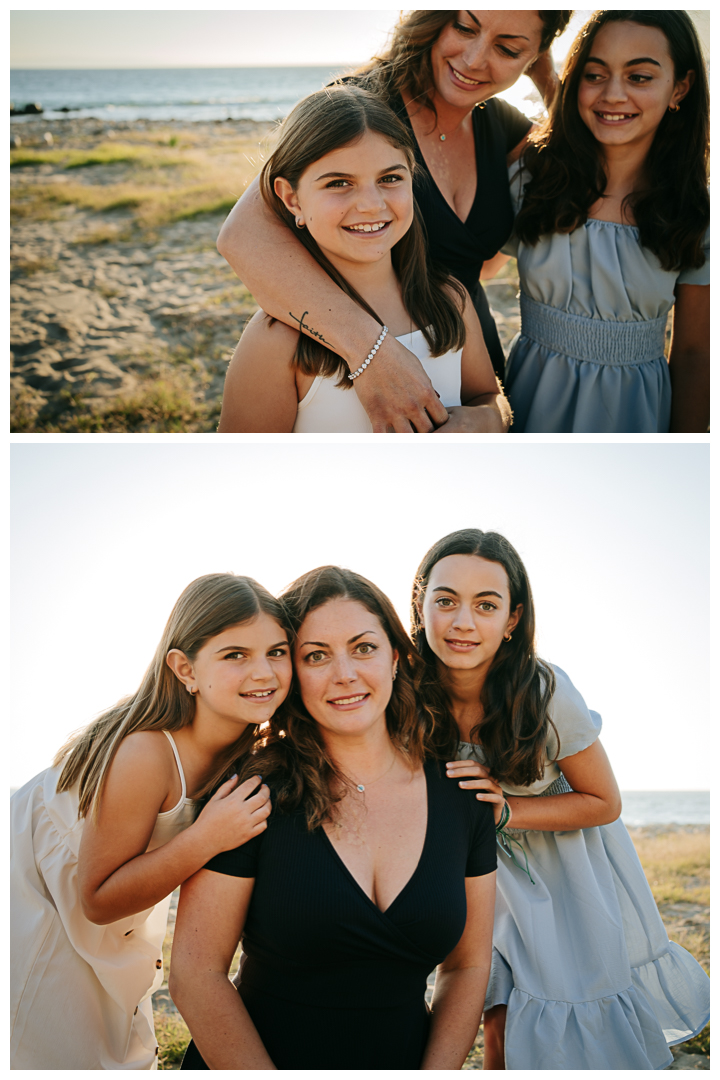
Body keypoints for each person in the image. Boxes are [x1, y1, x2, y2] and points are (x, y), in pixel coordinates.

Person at [170, 566, 497, 1069]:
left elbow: (469, 965)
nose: (344, 674)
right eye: (316, 656)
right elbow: (196, 973)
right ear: (291, 673)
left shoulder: (463, 796)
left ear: (395, 657)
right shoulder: (254, 793)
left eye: (363, 648)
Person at [410, 528, 710, 1070]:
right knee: (492, 1015)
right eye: (446, 600)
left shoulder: (544, 691)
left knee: (550, 1024)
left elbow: (604, 801)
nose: (462, 622)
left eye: (486, 605)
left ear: (513, 619)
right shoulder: (405, 691)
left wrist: (509, 809)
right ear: (420, 602)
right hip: (473, 878)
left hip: (562, 874)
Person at [217, 11, 572, 431]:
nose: (475, 59)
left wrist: (548, 80)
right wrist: (374, 354)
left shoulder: (500, 123)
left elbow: (590, 160)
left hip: (461, 340)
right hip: (347, 347)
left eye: (509, 48)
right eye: (464, 27)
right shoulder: (361, 106)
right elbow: (241, 236)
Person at [10, 574, 292, 1070]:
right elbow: (96, 899)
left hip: (104, 930)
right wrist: (207, 838)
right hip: (38, 913)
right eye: (235, 655)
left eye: (277, 651)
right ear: (185, 668)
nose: (263, 671)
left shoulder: (244, 747)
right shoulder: (146, 751)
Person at [218, 85, 509, 434]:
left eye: (389, 178)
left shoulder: (450, 299)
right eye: (339, 183)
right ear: (292, 199)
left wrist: (486, 419)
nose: (371, 204)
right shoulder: (276, 340)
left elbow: (488, 396)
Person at [502, 10, 710, 433]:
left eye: (639, 77)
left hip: (634, 416)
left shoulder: (696, 213)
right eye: (595, 75)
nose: (613, 94)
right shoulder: (531, 178)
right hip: (529, 400)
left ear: (681, 88)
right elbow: (469, 268)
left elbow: (693, 355)